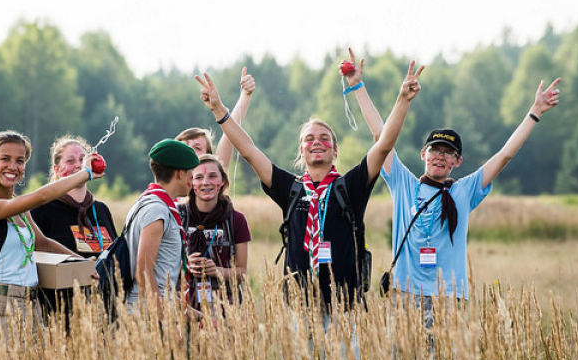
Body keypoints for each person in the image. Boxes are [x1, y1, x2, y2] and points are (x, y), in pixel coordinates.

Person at [195, 53, 424, 314]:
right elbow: (248, 150)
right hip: (300, 310)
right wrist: (218, 110)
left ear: (335, 150)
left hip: (345, 309)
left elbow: (383, 144)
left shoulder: (349, 187)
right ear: (301, 151)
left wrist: (402, 101)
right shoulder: (290, 189)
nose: (317, 142)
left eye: (325, 138)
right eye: (309, 139)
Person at [363, 77, 561, 310]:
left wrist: (535, 112)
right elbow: (381, 136)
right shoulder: (402, 183)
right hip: (403, 293)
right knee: (401, 349)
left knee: (446, 349)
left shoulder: (464, 191)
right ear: (423, 155)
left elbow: (504, 155)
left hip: (447, 296)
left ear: (457, 162)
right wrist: (359, 85)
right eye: (434, 149)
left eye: (448, 153)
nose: (440, 155)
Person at [0, 130, 103, 360]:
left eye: (20, 160)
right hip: (2, 303)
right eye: (5, 158)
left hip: (32, 303)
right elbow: (43, 194)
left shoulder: (19, 210)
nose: (13, 166)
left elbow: (42, 243)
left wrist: (82, 264)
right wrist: (84, 174)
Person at [31, 135, 118, 321]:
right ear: (57, 169)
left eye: (82, 159)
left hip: (104, 308)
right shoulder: (42, 209)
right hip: (60, 312)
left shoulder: (101, 210)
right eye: (70, 161)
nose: (79, 165)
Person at [124, 139, 200, 315]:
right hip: (146, 313)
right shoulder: (157, 210)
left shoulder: (150, 203)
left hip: (152, 307)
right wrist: (162, 320)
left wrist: (195, 316)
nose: (192, 178)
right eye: (191, 172)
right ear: (180, 173)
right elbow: (143, 272)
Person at [180, 154, 251, 311]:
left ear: (223, 182)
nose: (206, 182)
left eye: (212, 176)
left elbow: (242, 272)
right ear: (191, 182)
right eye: (198, 177)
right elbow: (160, 265)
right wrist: (185, 265)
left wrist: (217, 271)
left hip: (225, 308)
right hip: (184, 308)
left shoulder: (236, 220)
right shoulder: (177, 216)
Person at [177, 67, 256, 169]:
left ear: (207, 159)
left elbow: (230, 135)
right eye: (185, 145)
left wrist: (245, 95)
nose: (190, 150)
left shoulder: (214, 181)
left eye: (197, 147)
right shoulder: (164, 181)